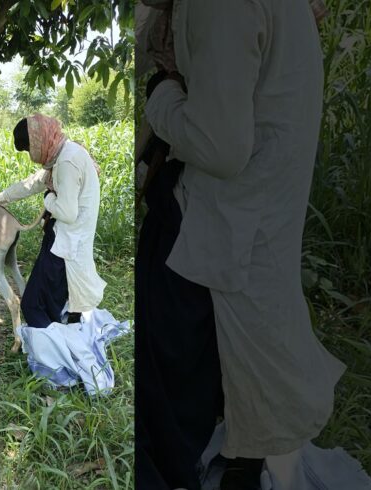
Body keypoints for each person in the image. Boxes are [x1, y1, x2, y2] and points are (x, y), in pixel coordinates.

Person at [135, 0, 345, 489]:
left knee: (175, 391)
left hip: (224, 221)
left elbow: (220, 147)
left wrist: (160, 95)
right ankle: (238, 460)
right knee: (253, 363)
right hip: (254, 215)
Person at [0, 114, 106, 329]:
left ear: (38, 140)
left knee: (33, 304)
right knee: (52, 301)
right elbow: (34, 183)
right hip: (63, 238)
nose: (30, 155)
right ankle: (61, 334)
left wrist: (49, 198)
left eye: (28, 148)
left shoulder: (66, 162)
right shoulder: (64, 152)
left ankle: (52, 348)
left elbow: (67, 212)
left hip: (66, 244)